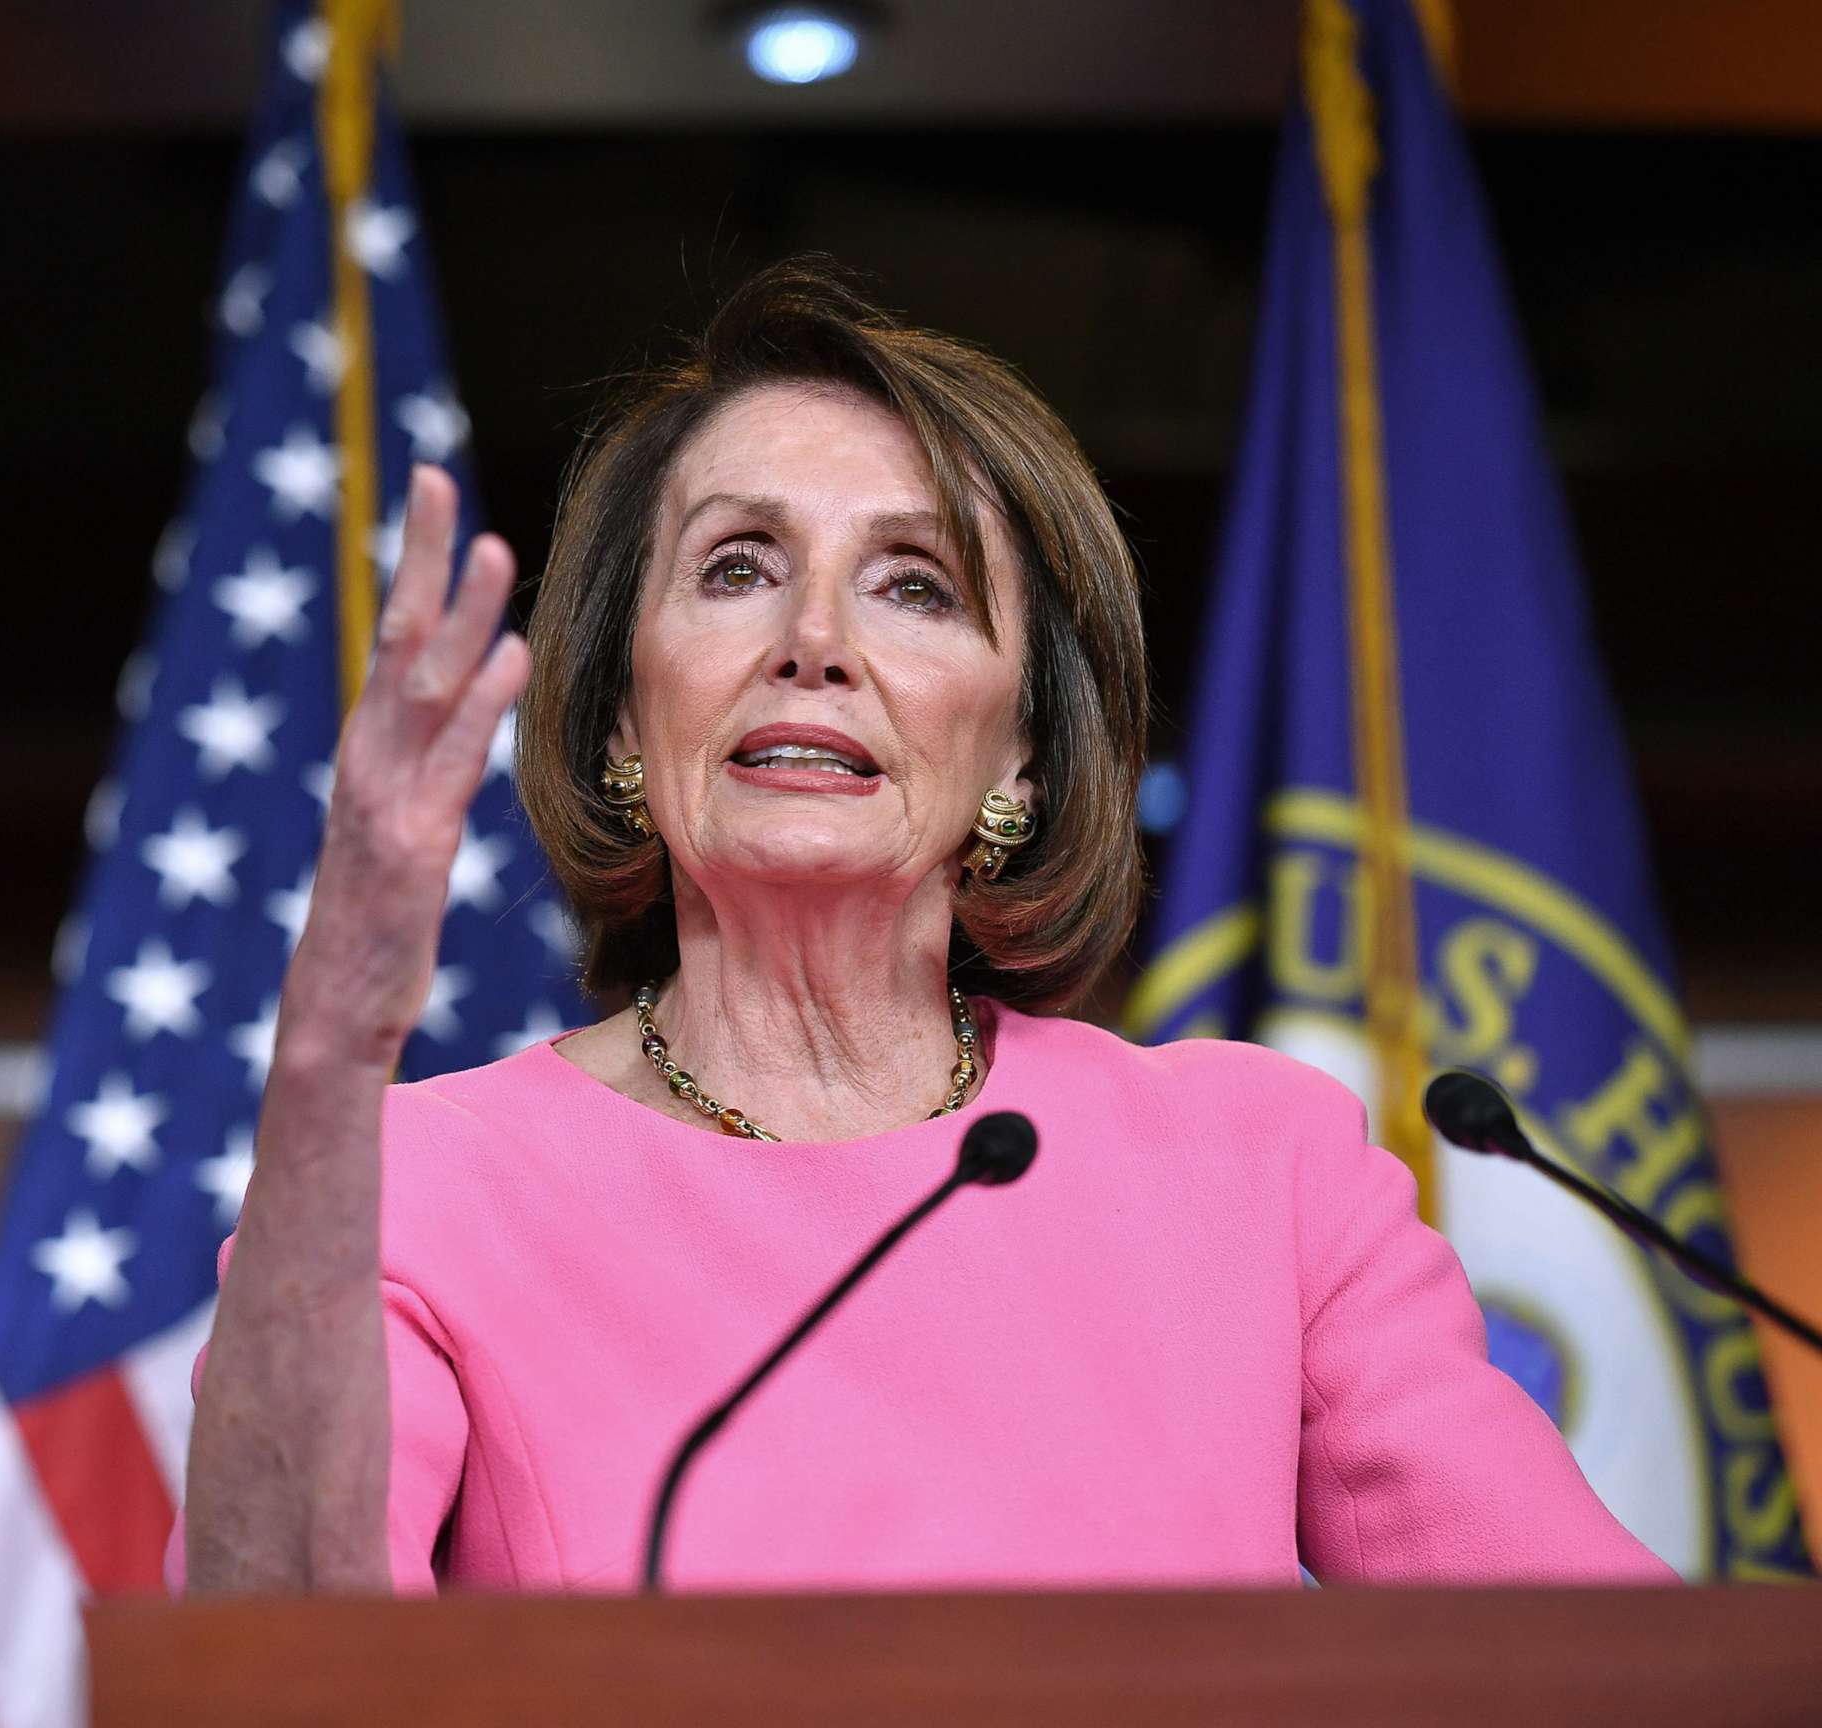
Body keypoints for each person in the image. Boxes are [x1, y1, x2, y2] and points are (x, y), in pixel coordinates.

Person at [177, 259, 1668, 1593]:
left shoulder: (1261, 1174)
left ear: (1019, 751)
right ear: (628, 717)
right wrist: (327, 1054)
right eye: (738, 569)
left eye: (915, 586)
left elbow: (1595, 1682)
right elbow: (268, 1669)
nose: (813, 643)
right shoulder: (422, 1191)